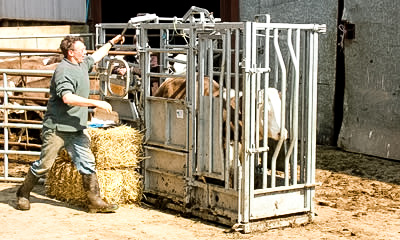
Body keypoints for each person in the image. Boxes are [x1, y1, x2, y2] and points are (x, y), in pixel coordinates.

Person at [16, 34, 125, 213]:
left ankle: (94, 201)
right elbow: (67, 98)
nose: (85, 52)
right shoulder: (64, 71)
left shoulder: (81, 64)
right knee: (44, 165)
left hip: (76, 127)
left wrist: (112, 42)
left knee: (87, 162)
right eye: (81, 50)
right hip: (57, 128)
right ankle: (23, 193)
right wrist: (96, 103)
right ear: (71, 53)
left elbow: (96, 56)